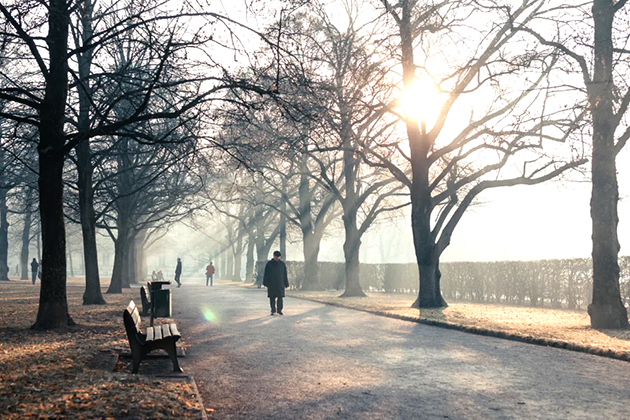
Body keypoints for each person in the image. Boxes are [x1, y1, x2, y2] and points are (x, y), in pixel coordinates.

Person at [263, 250, 289, 315]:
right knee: (272, 298)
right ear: (274, 256)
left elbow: (284, 274)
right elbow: (266, 274)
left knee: (280, 298)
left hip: (280, 284)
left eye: (278, 257)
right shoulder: (269, 264)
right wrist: (266, 283)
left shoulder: (282, 264)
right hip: (271, 284)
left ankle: (279, 310)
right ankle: (273, 310)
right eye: (276, 256)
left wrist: (286, 283)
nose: (277, 258)